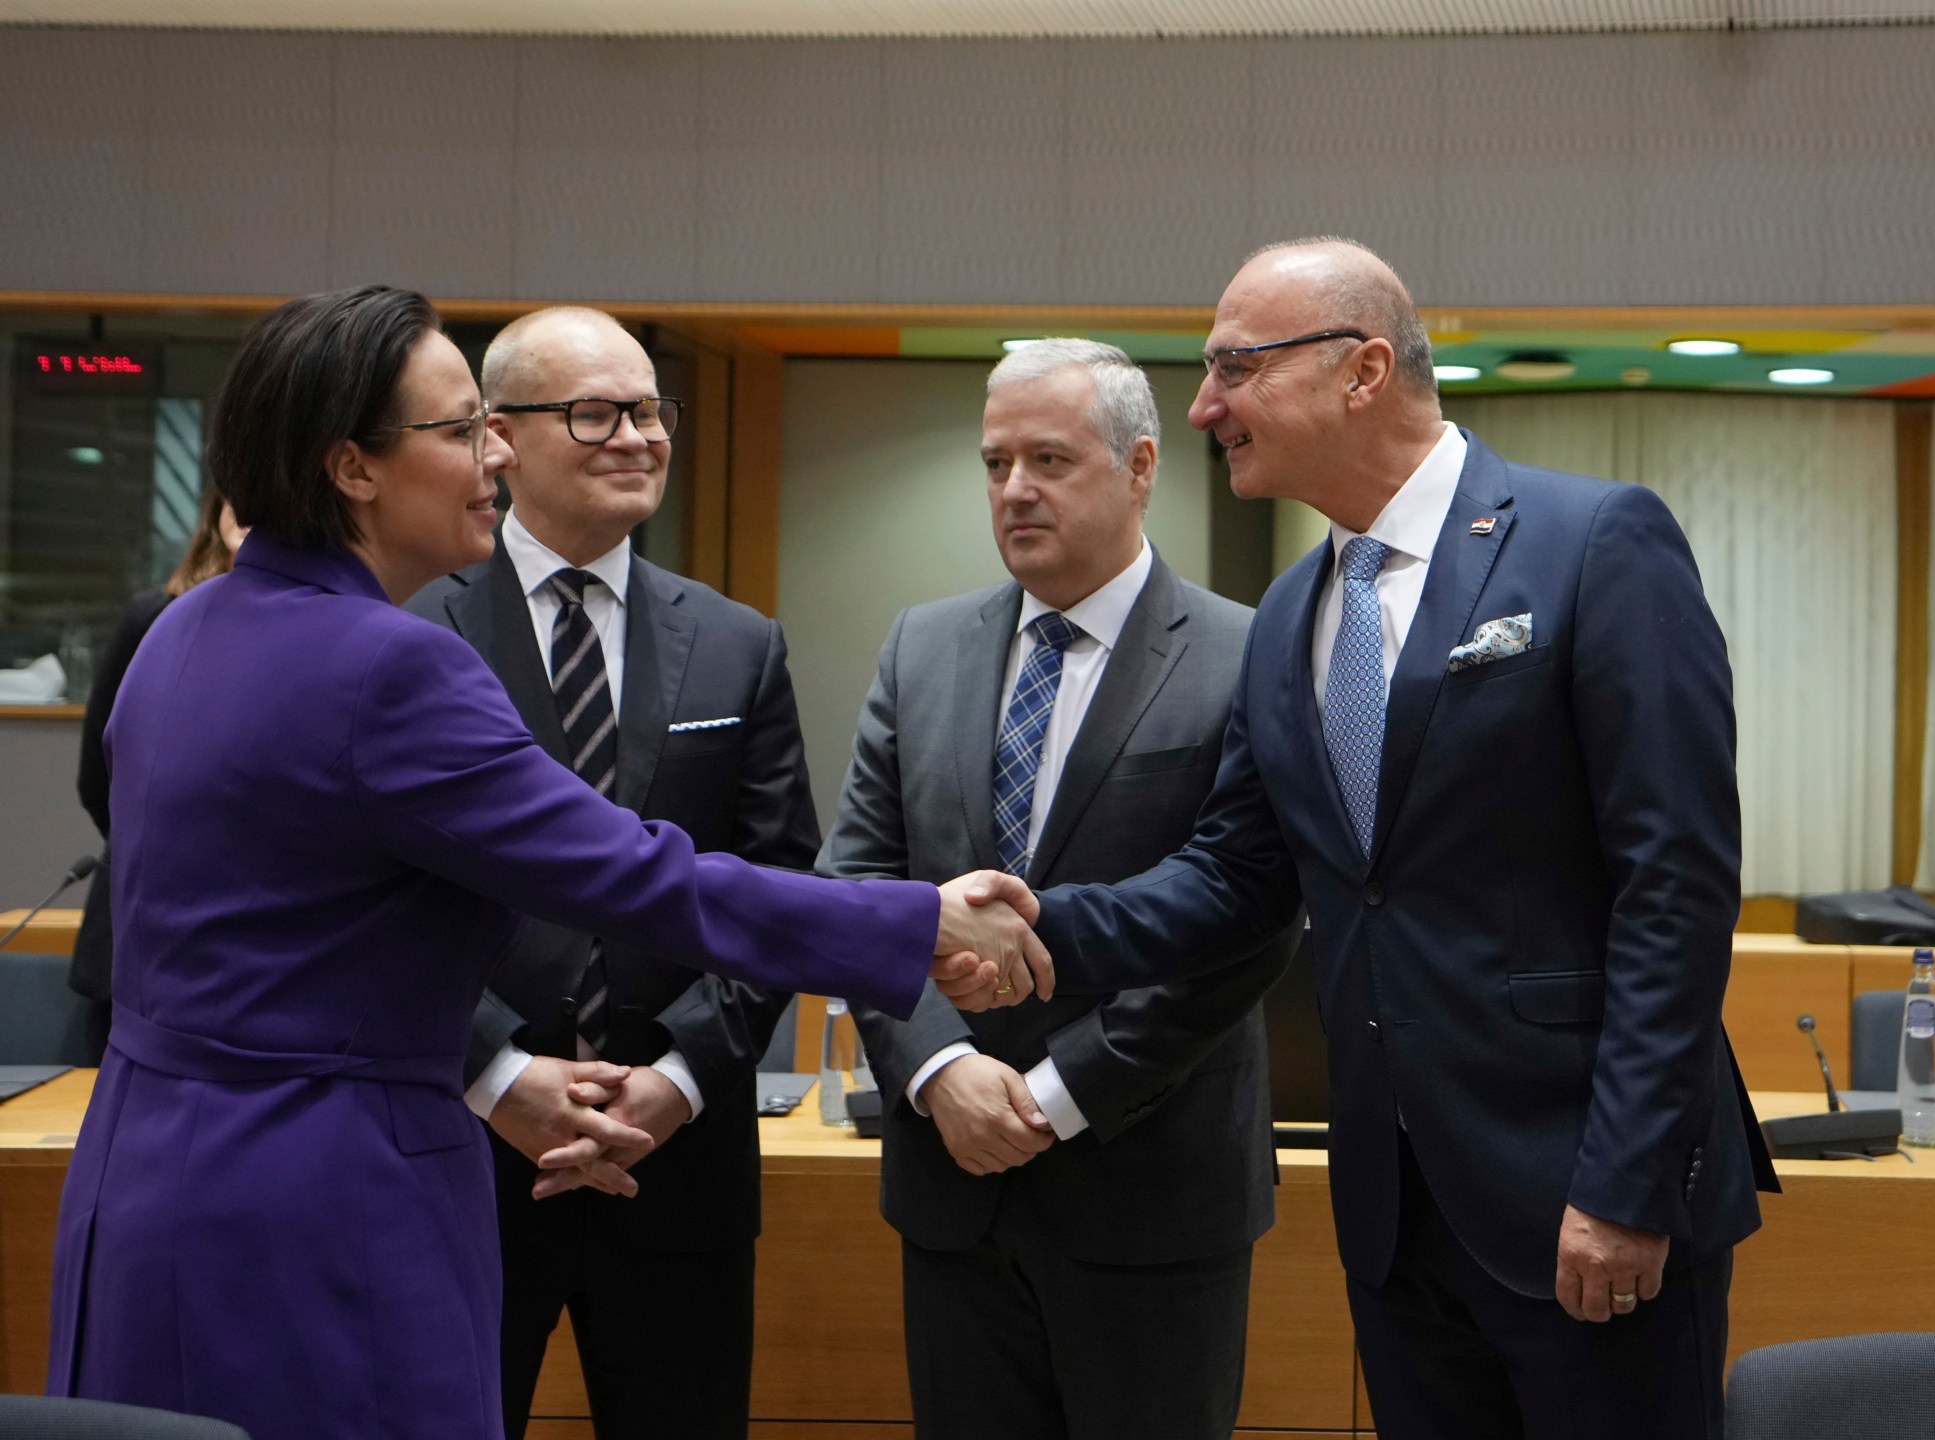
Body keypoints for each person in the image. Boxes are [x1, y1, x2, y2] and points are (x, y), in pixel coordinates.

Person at [45, 285, 1046, 1440]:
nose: (490, 457)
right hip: (321, 1190)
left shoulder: (183, 631)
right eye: (462, 429)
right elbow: (629, 872)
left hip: (149, 1176)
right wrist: (914, 926)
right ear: (352, 468)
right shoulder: (386, 666)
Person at [973, 239, 1777, 1440]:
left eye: (1233, 368)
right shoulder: (1292, 611)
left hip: (1586, 1198)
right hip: (1397, 1214)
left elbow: (1675, 886)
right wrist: (1039, 927)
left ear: (1361, 371)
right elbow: (1238, 877)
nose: (1203, 408)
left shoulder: (1593, 542)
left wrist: (1624, 1184)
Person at [822, 339, 1298, 1440]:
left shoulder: (1249, 652)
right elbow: (858, 880)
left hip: (1151, 1187)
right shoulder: (921, 646)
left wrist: (1053, 1096)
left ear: (1139, 467)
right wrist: (941, 1072)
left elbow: (1252, 918)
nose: (1014, 489)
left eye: (1048, 458)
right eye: (994, 463)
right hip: (951, 1186)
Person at [405, 307, 801, 1440]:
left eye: (649, 410)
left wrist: (674, 1080)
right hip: (465, 1151)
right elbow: (379, 899)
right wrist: (497, 1072)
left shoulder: (738, 643)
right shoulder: (413, 634)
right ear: (499, 438)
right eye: (595, 412)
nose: (636, 436)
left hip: (676, 1163)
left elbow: (770, 881)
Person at [67, 483, 247, 1056]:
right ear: (214, 513)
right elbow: (99, 776)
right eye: (240, 501)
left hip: (241, 950)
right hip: (134, 930)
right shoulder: (156, 617)